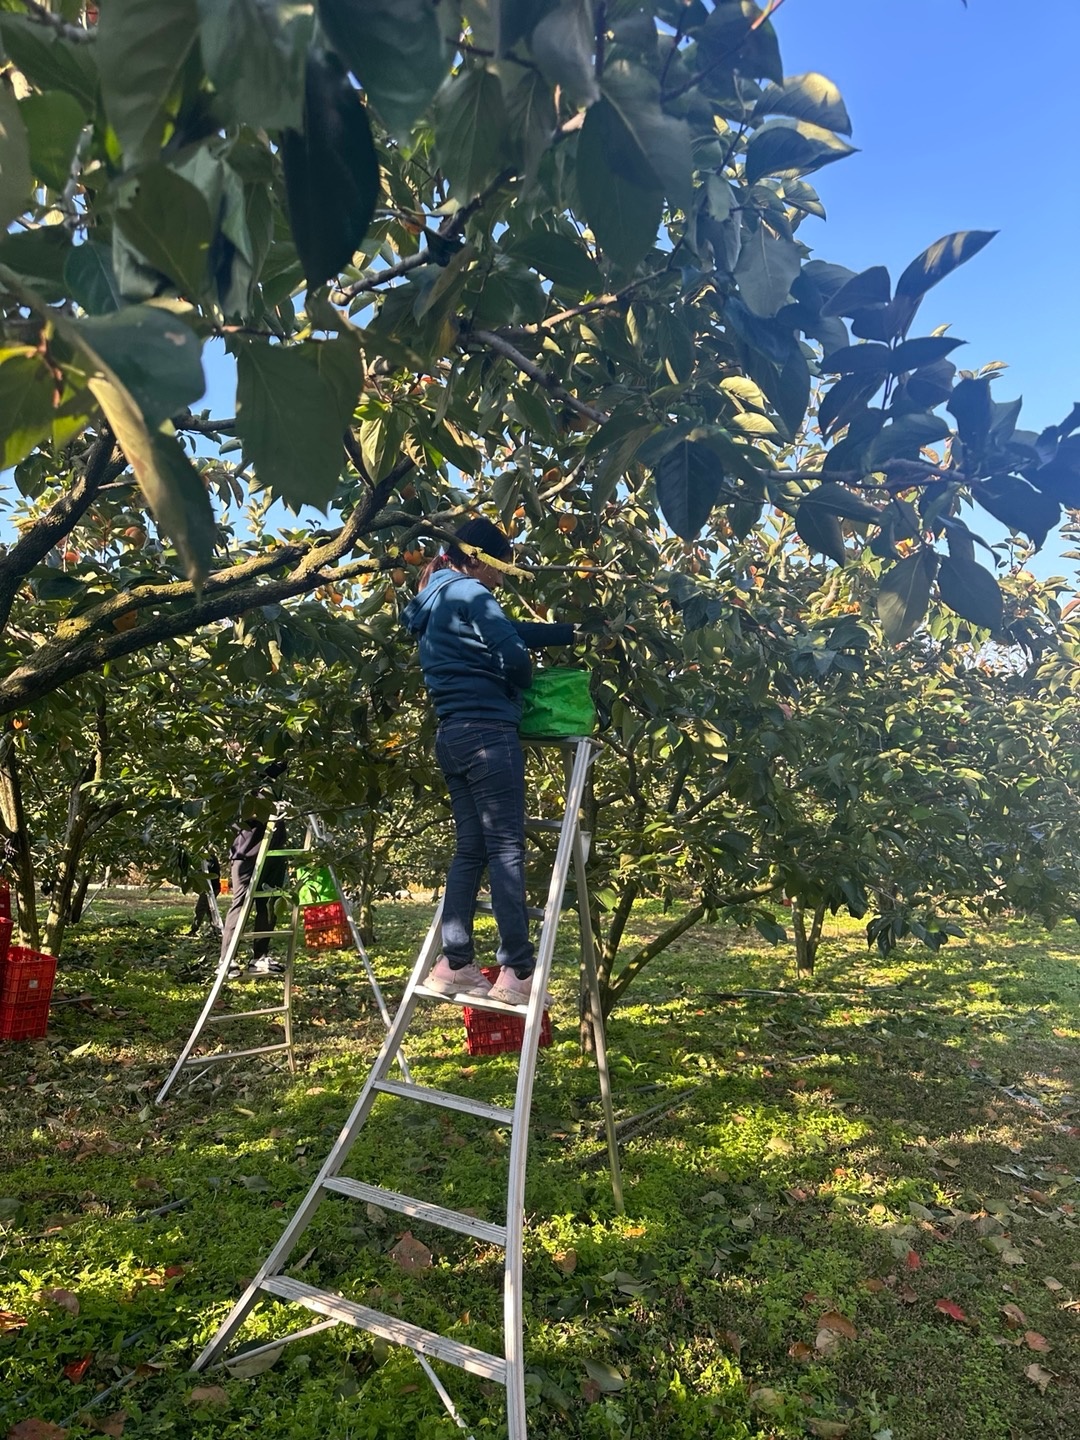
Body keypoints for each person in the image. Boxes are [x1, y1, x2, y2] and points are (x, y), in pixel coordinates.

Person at [402, 516, 577, 1005]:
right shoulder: (472, 593)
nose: (502, 579)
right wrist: (519, 680)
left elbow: (507, 629)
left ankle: (455, 963)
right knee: (505, 850)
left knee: (471, 850)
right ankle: (517, 970)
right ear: (478, 558)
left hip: (452, 735)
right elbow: (515, 657)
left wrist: (568, 633)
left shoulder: (438, 596)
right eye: (501, 568)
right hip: (487, 733)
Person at [219, 758, 289, 977]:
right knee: (241, 904)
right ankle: (226, 959)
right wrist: (269, 809)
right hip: (247, 856)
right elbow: (244, 815)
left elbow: (280, 764)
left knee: (268, 904)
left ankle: (259, 957)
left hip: (273, 855)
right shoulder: (241, 786)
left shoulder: (271, 786)